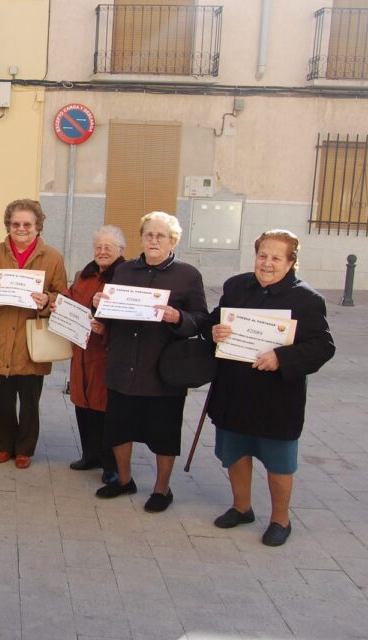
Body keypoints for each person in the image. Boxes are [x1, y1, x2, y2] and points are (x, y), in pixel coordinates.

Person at [206, 230, 335, 546]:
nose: (267, 263)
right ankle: (241, 508)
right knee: (234, 453)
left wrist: (282, 358)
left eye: (276, 258)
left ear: (291, 263)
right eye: (262, 255)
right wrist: (215, 330)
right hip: (233, 391)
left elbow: (323, 345)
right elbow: (214, 320)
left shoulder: (307, 299)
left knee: (279, 462)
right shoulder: (236, 286)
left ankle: (280, 520)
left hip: (277, 398)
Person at [93, 211, 208, 512]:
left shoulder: (188, 275)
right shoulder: (125, 271)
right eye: (148, 235)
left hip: (163, 370)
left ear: (173, 240)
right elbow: (110, 313)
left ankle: (162, 489)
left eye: (161, 236)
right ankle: (124, 480)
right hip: (122, 364)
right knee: (118, 428)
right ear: (141, 238)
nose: (154, 240)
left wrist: (177, 317)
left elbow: (201, 321)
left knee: (164, 433)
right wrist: (99, 306)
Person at [0, 199, 67, 468]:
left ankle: (25, 449)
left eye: (27, 224)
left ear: (38, 226)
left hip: (34, 338)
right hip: (2, 333)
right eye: (15, 223)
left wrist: (47, 300)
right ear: (8, 224)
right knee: (2, 396)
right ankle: (3, 445)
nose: (21, 228)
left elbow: (62, 296)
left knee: (30, 399)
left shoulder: (52, 257)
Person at [62, 225, 126, 484]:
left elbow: (128, 315)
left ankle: (110, 463)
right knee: (82, 402)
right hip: (81, 349)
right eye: (98, 247)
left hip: (106, 352)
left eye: (108, 248)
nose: (101, 251)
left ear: (121, 251)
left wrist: (106, 328)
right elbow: (70, 298)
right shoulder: (85, 275)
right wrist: (58, 304)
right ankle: (90, 455)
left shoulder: (126, 277)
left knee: (105, 407)